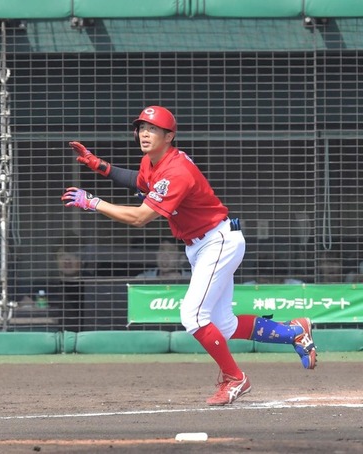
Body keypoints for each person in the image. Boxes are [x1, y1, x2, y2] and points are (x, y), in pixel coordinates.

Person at [61, 105, 317, 406]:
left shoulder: (176, 171)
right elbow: (139, 180)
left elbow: (140, 217)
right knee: (223, 325)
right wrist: (99, 165)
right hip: (202, 244)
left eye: (153, 129)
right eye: (141, 127)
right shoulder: (153, 162)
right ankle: (293, 332)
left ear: (169, 136)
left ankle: (235, 378)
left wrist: (93, 203)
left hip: (217, 241)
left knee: (193, 316)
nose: (144, 133)